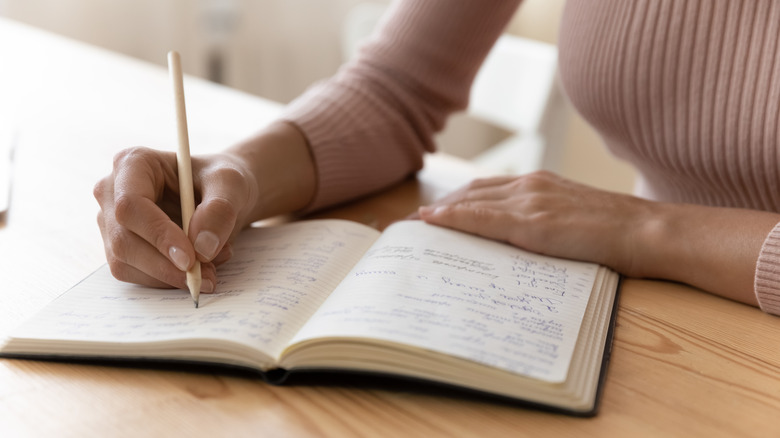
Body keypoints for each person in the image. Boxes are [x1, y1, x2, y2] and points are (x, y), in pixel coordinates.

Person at [93, 0, 780, 315]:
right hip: (659, 315)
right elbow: (398, 89)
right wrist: (237, 174)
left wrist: (647, 229)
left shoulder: (640, 235)